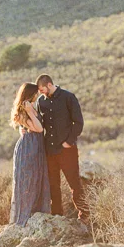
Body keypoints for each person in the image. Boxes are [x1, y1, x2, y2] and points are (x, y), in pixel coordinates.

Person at [35, 74, 88, 223]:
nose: (41, 93)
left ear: (49, 85)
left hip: (67, 150)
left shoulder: (68, 97)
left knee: (74, 184)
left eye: (42, 89)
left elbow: (78, 122)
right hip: (50, 152)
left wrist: (68, 142)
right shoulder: (41, 102)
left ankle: (84, 215)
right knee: (53, 186)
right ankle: (57, 217)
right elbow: (39, 124)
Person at [9, 82, 51, 226]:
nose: (37, 95)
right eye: (35, 94)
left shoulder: (32, 107)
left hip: (37, 148)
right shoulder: (22, 112)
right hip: (28, 149)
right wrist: (31, 112)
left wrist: (32, 111)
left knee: (38, 178)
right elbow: (39, 128)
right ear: (29, 95)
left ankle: (36, 212)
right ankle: (24, 217)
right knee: (27, 180)